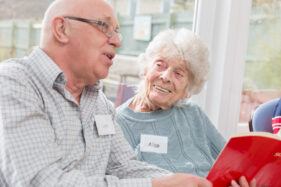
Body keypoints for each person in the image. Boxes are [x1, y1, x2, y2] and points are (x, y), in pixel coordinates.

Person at [0, 0, 220, 186]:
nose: (117, 40)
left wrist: (190, 182)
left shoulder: (99, 103)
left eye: (117, 31)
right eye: (105, 27)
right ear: (62, 29)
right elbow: (42, 181)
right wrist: (156, 184)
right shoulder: (15, 83)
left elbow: (126, 168)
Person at [115, 28, 256, 186]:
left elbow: (231, 163)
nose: (166, 76)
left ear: (187, 91)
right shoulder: (118, 123)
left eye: (178, 73)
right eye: (160, 65)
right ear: (146, 70)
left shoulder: (193, 113)